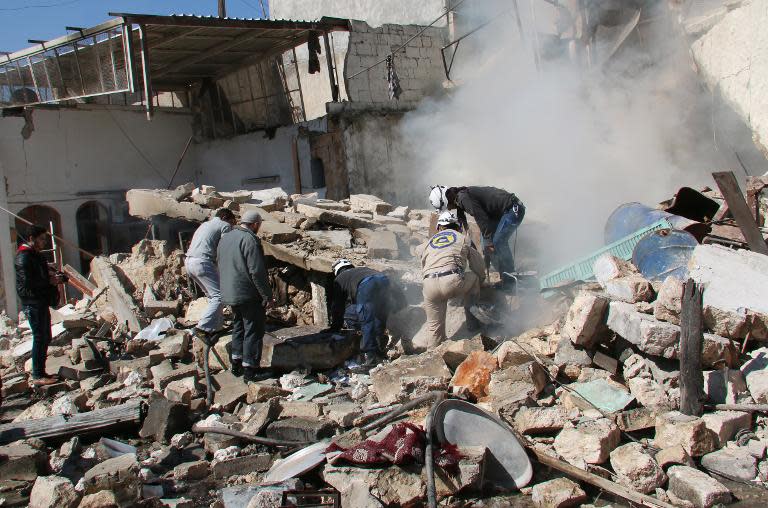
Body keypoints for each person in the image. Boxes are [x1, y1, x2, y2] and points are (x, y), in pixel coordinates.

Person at [217, 210, 276, 382]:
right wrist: (267, 295)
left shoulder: (225, 238)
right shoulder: (250, 239)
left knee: (239, 326)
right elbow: (256, 271)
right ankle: (251, 370)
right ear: (255, 224)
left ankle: (236, 364)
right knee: (253, 330)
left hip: (229, 292)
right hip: (247, 293)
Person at [429, 185, 525, 289]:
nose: (449, 209)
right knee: (486, 247)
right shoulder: (458, 198)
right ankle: (504, 276)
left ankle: (510, 280)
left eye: (447, 206)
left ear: (446, 199)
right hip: (500, 214)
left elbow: (481, 218)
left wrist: (489, 242)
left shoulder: (463, 198)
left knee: (498, 242)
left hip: (513, 209)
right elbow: (461, 217)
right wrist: (467, 237)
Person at [417, 211, 486, 347]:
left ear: (438, 228)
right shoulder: (463, 238)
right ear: (458, 226)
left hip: (429, 285)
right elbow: (478, 265)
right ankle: (473, 323)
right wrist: (482, 280)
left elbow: (423, 265)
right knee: (474, 278)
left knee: (434, 327)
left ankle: (433, 355)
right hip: (452, 280)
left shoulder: (428, 243)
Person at [15, 224, 65, 386]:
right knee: (39, 337)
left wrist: (54, 275)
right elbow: (29, 282)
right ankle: (37, 375)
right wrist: (50, 281)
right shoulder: (24, 256)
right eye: (41, 239)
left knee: (45, 336)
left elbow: (42, 272)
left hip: (40, 300)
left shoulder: (35, 255)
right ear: (31, 239)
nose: (44, 242)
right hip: (33, 302)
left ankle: (41, 372)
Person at [185, 208, 237, 343]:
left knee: (212, 295)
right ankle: (203, 328)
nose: (232, 226)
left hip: (190, 262)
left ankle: (216, 326)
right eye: (232, 223)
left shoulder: (205, 225)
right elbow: (227, 247)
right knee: (219, 296)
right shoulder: (224, 225)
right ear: (225, 217)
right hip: (203, 262)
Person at [328, 259, 390, 368]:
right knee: (379, 316)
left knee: (367, 320)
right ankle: (379, 351)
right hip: (385, 280)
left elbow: (338, 306)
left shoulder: (340, 278)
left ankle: (371, 358)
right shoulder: (361, 270)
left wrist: (335, 327)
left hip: (367, 284)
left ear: (337, 271)